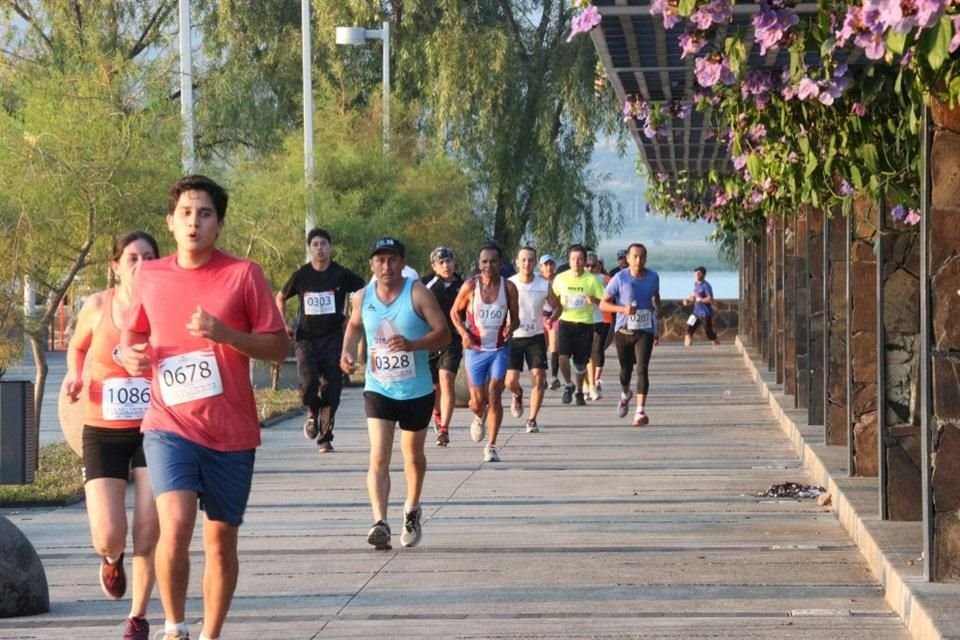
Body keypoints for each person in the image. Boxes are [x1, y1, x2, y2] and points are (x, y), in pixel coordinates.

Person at [120, 175, 289, 640]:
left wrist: (227, 335)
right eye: (186, 213)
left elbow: (277, 347)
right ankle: (175, 627)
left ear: (219, 224)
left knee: (220, 543)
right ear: (171, 223)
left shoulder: (244, 275)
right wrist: (126, 353)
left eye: (205, 213)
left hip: (231, 431)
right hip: (168, 424)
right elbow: (132, 333)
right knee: (174, 526)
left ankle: (210, 635)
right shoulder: (148, 275)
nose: (194, 222)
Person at [65, 231, 161, 640]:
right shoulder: (97, 305)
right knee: (108, 534)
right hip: (102, 429)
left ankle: (137, 617)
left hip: (154, 429)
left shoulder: (165, 305)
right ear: (115, 265)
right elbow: (77, 347)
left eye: (148, 258)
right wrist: (73, 373)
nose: (139, 265)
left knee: (147, 527)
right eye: (132, 258)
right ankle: (111, 557)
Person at [340, 237, 450, 550]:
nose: (386, 266)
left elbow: (443, 333)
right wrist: (346, 352)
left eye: (392, 260)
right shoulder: (363, 296)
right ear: (372, 265)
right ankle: (380, 522)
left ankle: (412, 509)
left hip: (415, 390)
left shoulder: (417, 293)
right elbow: (354, 325)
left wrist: (413, 345)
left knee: (412, 456)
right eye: (380, 260)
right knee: (379, 455)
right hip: (379, 388)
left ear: (402, 263)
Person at [276, 228, 365, 453]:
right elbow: (280, 296)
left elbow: (365, 289)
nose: (320, 248)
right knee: (308, 384)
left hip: (334, 339)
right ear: (310, 248)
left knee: (332, 389)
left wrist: (352, 317)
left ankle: (325, 438)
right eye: (315, 244)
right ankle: (312, 411)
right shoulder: (302, 275)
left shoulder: (341, 274)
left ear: (330, 247)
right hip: (306, 339)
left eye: (323, 244)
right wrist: (283, 323)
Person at [450, 243, 519, 462]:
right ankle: (479, 416)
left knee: (495, 395)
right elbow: (454, 313)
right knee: (477, 401)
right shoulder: (470, 287)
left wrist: (511, 326)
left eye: (493, 261)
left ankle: (491, 444)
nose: (488, 265)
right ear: (479, 264)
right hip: (475, 350)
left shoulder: (508, 288)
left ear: (500, 263)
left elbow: (516, 318)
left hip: (499, 348)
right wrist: (463, 333)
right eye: (484, 261)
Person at [600, 243, 662, 426]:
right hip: (624, 331)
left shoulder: (653, 277)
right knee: (625, 371)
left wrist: (657, 309)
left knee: (642, 368)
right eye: (634, 256)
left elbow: (656, 296)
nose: (638, 260)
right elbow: (603, 304)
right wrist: (623, 309)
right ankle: (625, 394)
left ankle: (640, 411)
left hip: (645, 330)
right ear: (627, 258)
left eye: (642, 256)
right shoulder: (619, 278)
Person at [507, 247, 560, 433]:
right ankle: (518, 394)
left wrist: (552, 318)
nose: (526, 264)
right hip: (513, 337)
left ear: (535, 263)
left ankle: (531, 419)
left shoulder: (543, 285)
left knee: (538, 376)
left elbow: (557, 306)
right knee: (510, 380)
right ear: (517, 262)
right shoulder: (509, 284)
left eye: (530, 260)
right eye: (523, 260)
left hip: (536, 337)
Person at [421, 246, 465, 447]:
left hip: (453, 340)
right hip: (431, 340)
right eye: (441, 262)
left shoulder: (463, 285)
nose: (446, 265)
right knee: (434, 388)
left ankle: (444, 429)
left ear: (454, 262)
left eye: (448, 261)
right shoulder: (425, 286)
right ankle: (437, 413)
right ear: (434, 266)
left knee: (446, 380)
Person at [551, 244, 605, 406]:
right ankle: (568, 384)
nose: (577, 262)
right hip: (566, 322)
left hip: (585, 323)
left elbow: (604, 302)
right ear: (569, 261)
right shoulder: (561, 278)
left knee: (581, 363)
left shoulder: (592, 280)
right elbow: (552, 298)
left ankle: (580, 391)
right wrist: (552, 315)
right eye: (573, 259)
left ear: (584, 261)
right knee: (563, 356)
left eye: (580, 259)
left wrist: (594, 300)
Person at [585, 252, 611, 401]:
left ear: (598, 266)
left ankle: (592, 384)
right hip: (579, 319)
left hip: (598, 319)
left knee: (593, 351)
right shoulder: (578, 278)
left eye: (592, 266)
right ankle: (584, 384)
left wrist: (594, 299)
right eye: (586, 265)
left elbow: (606, 300)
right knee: (581, 354)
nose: (589, 268)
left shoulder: (602, 279)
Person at [538, 254, 562, 390]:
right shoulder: (537, 280)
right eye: (546, 265)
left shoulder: (558, 280)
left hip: (554, 316)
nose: (549, 267)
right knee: (542, 347)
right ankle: (543, 376)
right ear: (540, 267)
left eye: (551, 264)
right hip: (540, 317)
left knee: (554, 347)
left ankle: (554, 377)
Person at [684, 266, 719, 346]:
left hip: (705, 314)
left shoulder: (706, 286)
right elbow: (695, 296)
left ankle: (717, 344)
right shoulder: (696, 284)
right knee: (688, 330)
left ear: (703, 275)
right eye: (695, 273)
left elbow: (710, 299)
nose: (696, 275)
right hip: (696, 313)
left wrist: (701, 300)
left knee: (710, 335)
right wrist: (688, 300)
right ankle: (687, 351)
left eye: (698, 273)